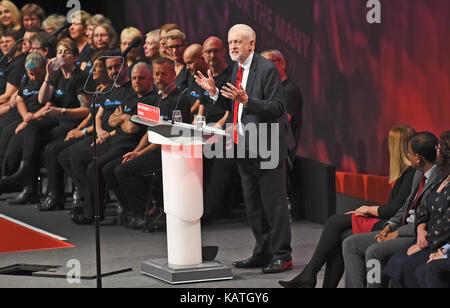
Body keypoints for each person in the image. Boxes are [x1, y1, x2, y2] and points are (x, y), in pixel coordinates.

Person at [195, 24, 292, 274]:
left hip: (267, 146)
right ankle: (263, 252)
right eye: (230, 42)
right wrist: (215, 92)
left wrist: (249, 101)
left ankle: (283, 255)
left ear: (252, 44)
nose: (233, 47)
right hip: (243, 146)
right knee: (253, 205)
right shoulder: (237, 69)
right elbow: (233, 101)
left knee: (274, 204)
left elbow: (277, 108)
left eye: (238, 42)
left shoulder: (267, 69)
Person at [278, 125, 416, 288]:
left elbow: (394, 211)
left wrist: (367, 209)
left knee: (335, 222)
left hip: (396, 225)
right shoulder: (406, 174)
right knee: (341, 234)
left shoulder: (411, 173)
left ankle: (309, 274)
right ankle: (314, 277)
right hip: (392, 220)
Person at [342, 131, 440, 288]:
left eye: (409, 153)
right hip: (401, 228)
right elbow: (406, 205)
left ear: (417, 158)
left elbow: (427, 220)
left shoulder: (440, 180)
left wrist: (395, 234)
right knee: (350, 243)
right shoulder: (417, 174)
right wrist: (390, 225)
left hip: (415, 234)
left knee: (374, 251)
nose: (408, 157)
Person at [2, 38, 89, 204]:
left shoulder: (81, 76)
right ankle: (29, 181)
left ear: (75, 57)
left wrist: (61, 111)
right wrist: (49, 75)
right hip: (56, 119)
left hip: (72, 121)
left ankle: (52, 193)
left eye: (67, 52)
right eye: (59, 52)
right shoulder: (56, 76)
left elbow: (86, 111)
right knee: (32, 129)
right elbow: (43, 99)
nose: (62, 55)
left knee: (48, 146)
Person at [113, 57, 191, 229]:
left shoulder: (179, 99)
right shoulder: (158, 98)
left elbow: (169, 135)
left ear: (173, 74)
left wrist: (141, 153)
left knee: (123, 171)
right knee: (119, 167)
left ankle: (150, 211)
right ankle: (144, 210)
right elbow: (150, 131)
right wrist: (137, 151)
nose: (159, 78)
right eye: (156, 74)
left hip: (170, 151)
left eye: (163, 74)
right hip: (154, 148)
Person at [66, 52, 135, 224]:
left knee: (93, 166)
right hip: (104, 136)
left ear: (125, 67)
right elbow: (98, 116)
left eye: (117, 67)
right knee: (73, 155)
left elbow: (125, 123)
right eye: (110, 68)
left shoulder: (131, 90)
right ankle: (87, 202)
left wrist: (108, 132)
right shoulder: (109, 90)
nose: (113, 71)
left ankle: (93, 213)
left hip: (118, 140)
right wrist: (99, 130)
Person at [37, 51, 111, 212]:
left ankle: (89, 198)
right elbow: (92, 115)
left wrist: (82, 131)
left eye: (98, 67)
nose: (93, 70)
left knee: (65, 153)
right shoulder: (98, 89)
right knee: (57, 151)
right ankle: (84, 196)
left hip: (101, 135)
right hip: (84, 129)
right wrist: (77, 130)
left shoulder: (109, 90)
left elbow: (103, 121)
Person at [383, 131, 450, 288]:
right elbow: (421, 206)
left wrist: (423, 243)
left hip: (439, 241)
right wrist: (420, 228)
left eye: (439, 147)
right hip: (424, 236)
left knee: (411, 267)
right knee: (397, 262)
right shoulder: (441, 177)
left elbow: (447, 223)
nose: (436, 151)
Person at [0, 52, 48, 199]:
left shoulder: (49, 79)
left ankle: (11, 181)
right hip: (25, 116)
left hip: (41, 118)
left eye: (37, 74)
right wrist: (25, 116)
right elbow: (20, 99)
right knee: (5, 135)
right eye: (31, 74)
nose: (34, 77)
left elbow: (49, 105)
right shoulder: (26, 78)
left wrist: (27, 120)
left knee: (15, 141)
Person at [261, 49, 303, 149]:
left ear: (282, 63)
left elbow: (280, 122)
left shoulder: (289, 91)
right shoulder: (269, 90)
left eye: (269, 62)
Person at [0, 29, 26, 106]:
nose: (4, 45)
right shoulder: (4, 61)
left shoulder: (20, 62)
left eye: (8, 41)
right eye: (1, 42)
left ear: (18, 44)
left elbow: (7, 96)